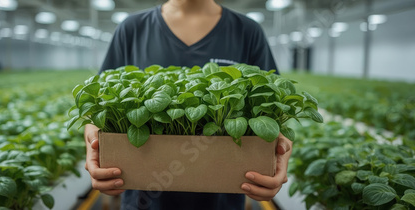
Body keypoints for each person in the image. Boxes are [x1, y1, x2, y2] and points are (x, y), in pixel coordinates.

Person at [84, 0, 293, 209]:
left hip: (224, 199)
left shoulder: (248, 31)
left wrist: (279, 147)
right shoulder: (131, 29)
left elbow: (272, 102)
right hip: (143, 199)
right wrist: (94, 140)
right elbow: (100, 104)